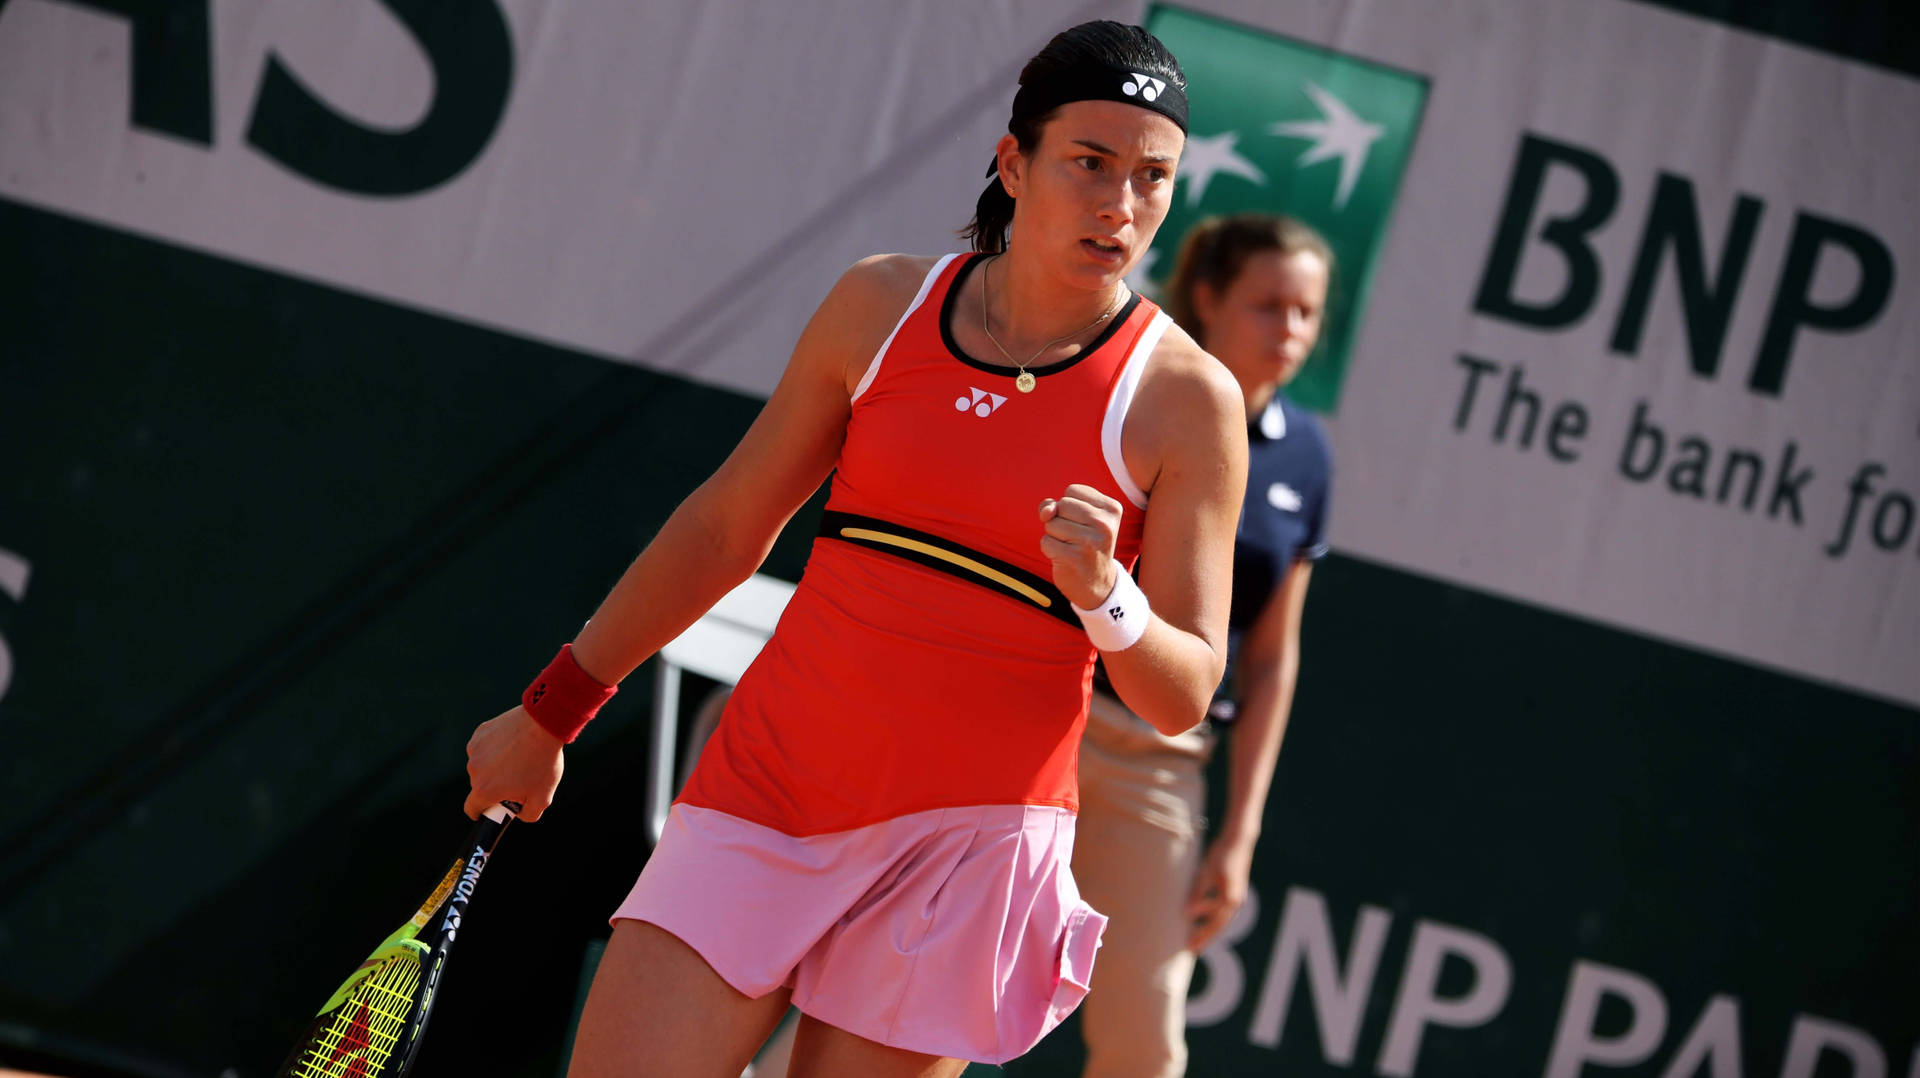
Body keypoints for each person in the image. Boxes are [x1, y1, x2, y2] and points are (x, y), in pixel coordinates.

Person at [462, 20, 1249, 1078]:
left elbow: (1183, 689)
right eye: (1090, 164)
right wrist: (553, 708)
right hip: (763, 793)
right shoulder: (879, 305)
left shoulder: (1188, 399)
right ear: (1014, 164)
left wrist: (1110, 599)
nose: (1121, 205)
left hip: (966, 855)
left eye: (1152, 178)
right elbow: (723, 525)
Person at [1069, 214, 1335, 1078]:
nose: (1289, 332)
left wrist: (1240, 833)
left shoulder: (1307, 455)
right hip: (1043, 721)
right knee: (899, 995)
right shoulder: (1134, 388)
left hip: (1159, 767)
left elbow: (1271, 657)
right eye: (1268, 306)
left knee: (1146, 1051)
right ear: (1211, 299)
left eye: (1306, 313)